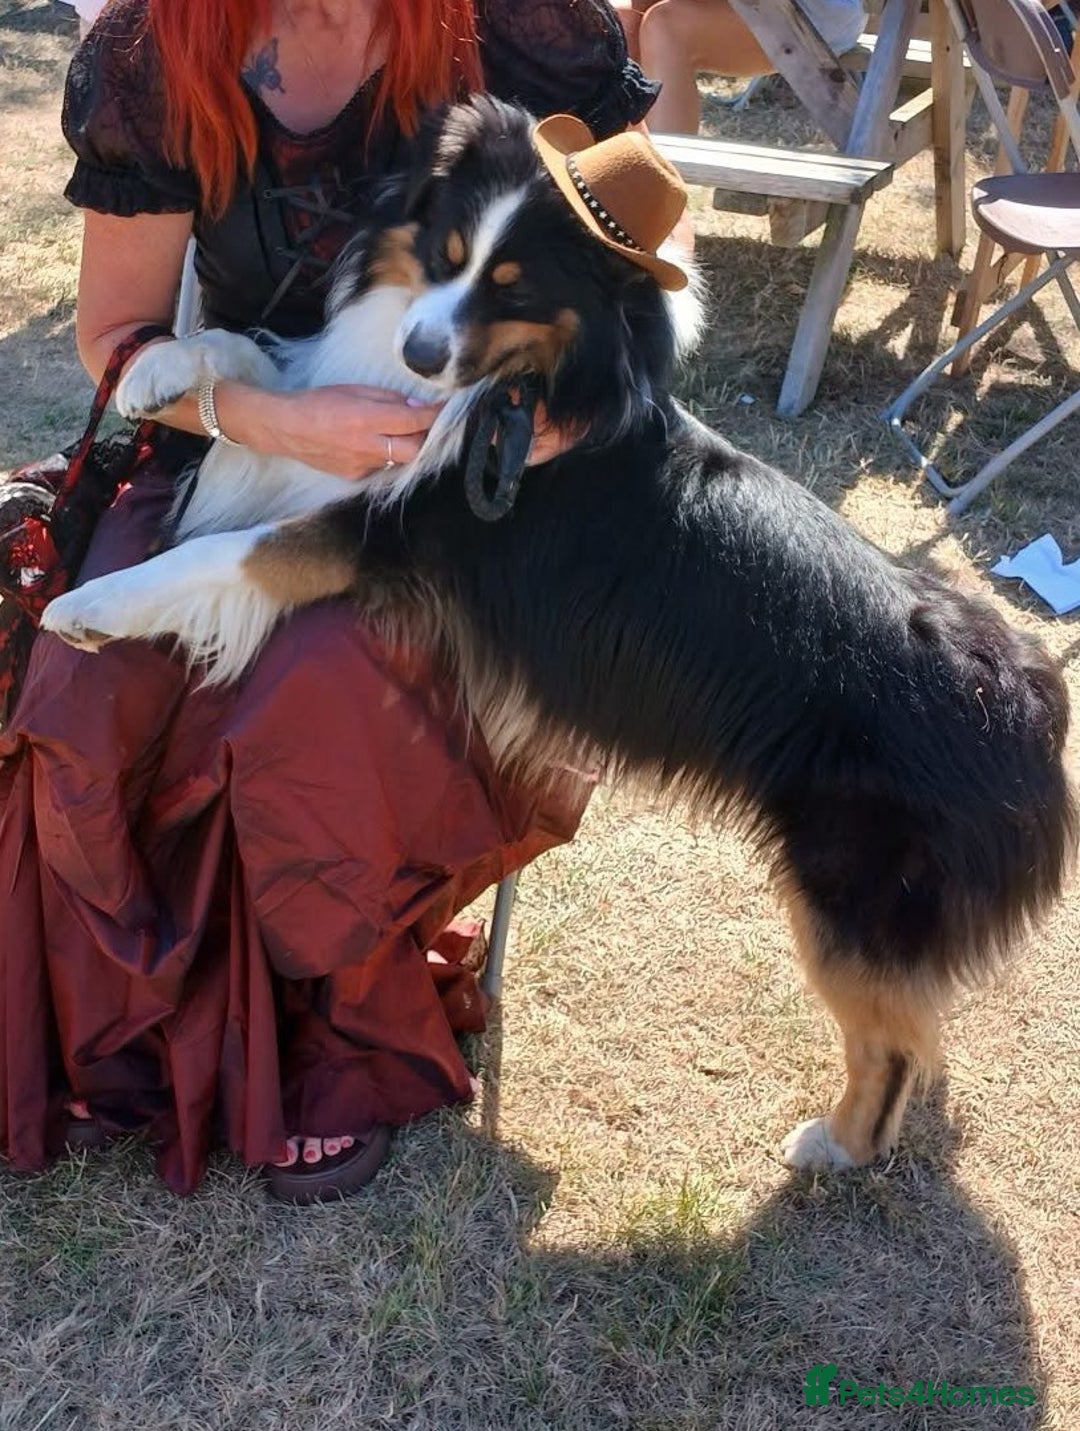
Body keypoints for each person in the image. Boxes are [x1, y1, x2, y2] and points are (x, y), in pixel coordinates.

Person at [0, 0, 658, 1202]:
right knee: (88, 679)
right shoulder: (151, 55)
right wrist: (280, 420)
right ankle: (129, 1038)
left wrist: (502, 440)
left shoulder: (516, 26)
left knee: (317, 695)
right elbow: (116, 335)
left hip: (466, 475)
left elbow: (635, 278)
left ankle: (325, 1045)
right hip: (244, 421)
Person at [615, 0, 867, 134]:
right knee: (617, 26)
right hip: (748, 10)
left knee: (665, 27)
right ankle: (616, 192)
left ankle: (664, 200)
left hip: (813, 14)